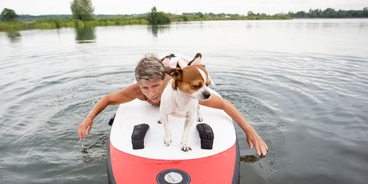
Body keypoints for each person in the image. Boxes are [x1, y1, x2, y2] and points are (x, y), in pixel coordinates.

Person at [77, 53, 268, 156]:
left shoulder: (178, 87)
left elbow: (224, 105)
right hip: (165, 72)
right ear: (139, 84)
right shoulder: (137, 90)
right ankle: (166, 58)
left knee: (189, 65)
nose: (151, 93)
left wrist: (249, 130)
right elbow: (107, 99)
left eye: (155, 86)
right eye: (145, 88)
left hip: (174, 73)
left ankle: (196, 59)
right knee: (163, 62)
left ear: (165, 80)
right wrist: (89, 118)